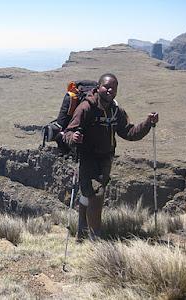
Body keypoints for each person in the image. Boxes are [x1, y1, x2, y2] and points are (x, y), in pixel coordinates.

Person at [63, 73, 159, 241]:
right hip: (88, 157)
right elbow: (69, 132)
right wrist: (73, 138)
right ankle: (96, 239)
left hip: (106, 158)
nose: (109, 90)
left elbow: (129, 132)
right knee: (96, 194)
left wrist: (147, 124)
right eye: (106, 86)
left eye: (113, 88)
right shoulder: (85, 108)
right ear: (98, 87)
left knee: (88, 195)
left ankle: (81, 233)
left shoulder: (115, 111)